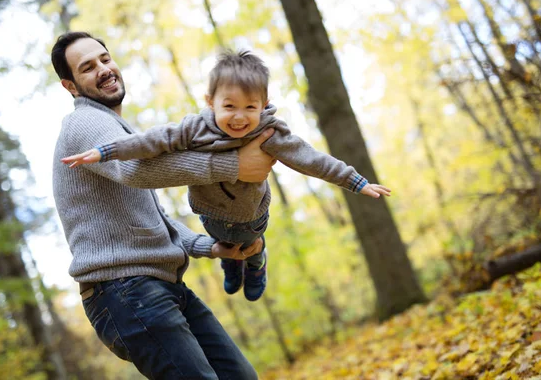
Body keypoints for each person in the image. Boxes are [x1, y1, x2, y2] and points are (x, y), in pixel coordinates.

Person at [61, 50, 392, 303]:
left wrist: (356, 182)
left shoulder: (269, 133)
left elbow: (312, 160)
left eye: (251, 108)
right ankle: (231, 263)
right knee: (226, 248)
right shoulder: (194, 128)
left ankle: (257, 259)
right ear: (211, 102)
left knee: (247, 244)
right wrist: (106, 151)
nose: (239, 117)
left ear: (264, 105)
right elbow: (153, 141)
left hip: (250, 218)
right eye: (230, 106)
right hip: (209, 216)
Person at [51, 31, 275, 380]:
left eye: (105, 59)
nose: (104, 69)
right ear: (71, 86)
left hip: (161, 286)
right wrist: (232, 165)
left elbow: (154, 218)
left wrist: (210, 247)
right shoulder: (84, 122)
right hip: (125, 291)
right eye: (88, 67)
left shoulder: (116, 127)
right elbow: (135, 171)